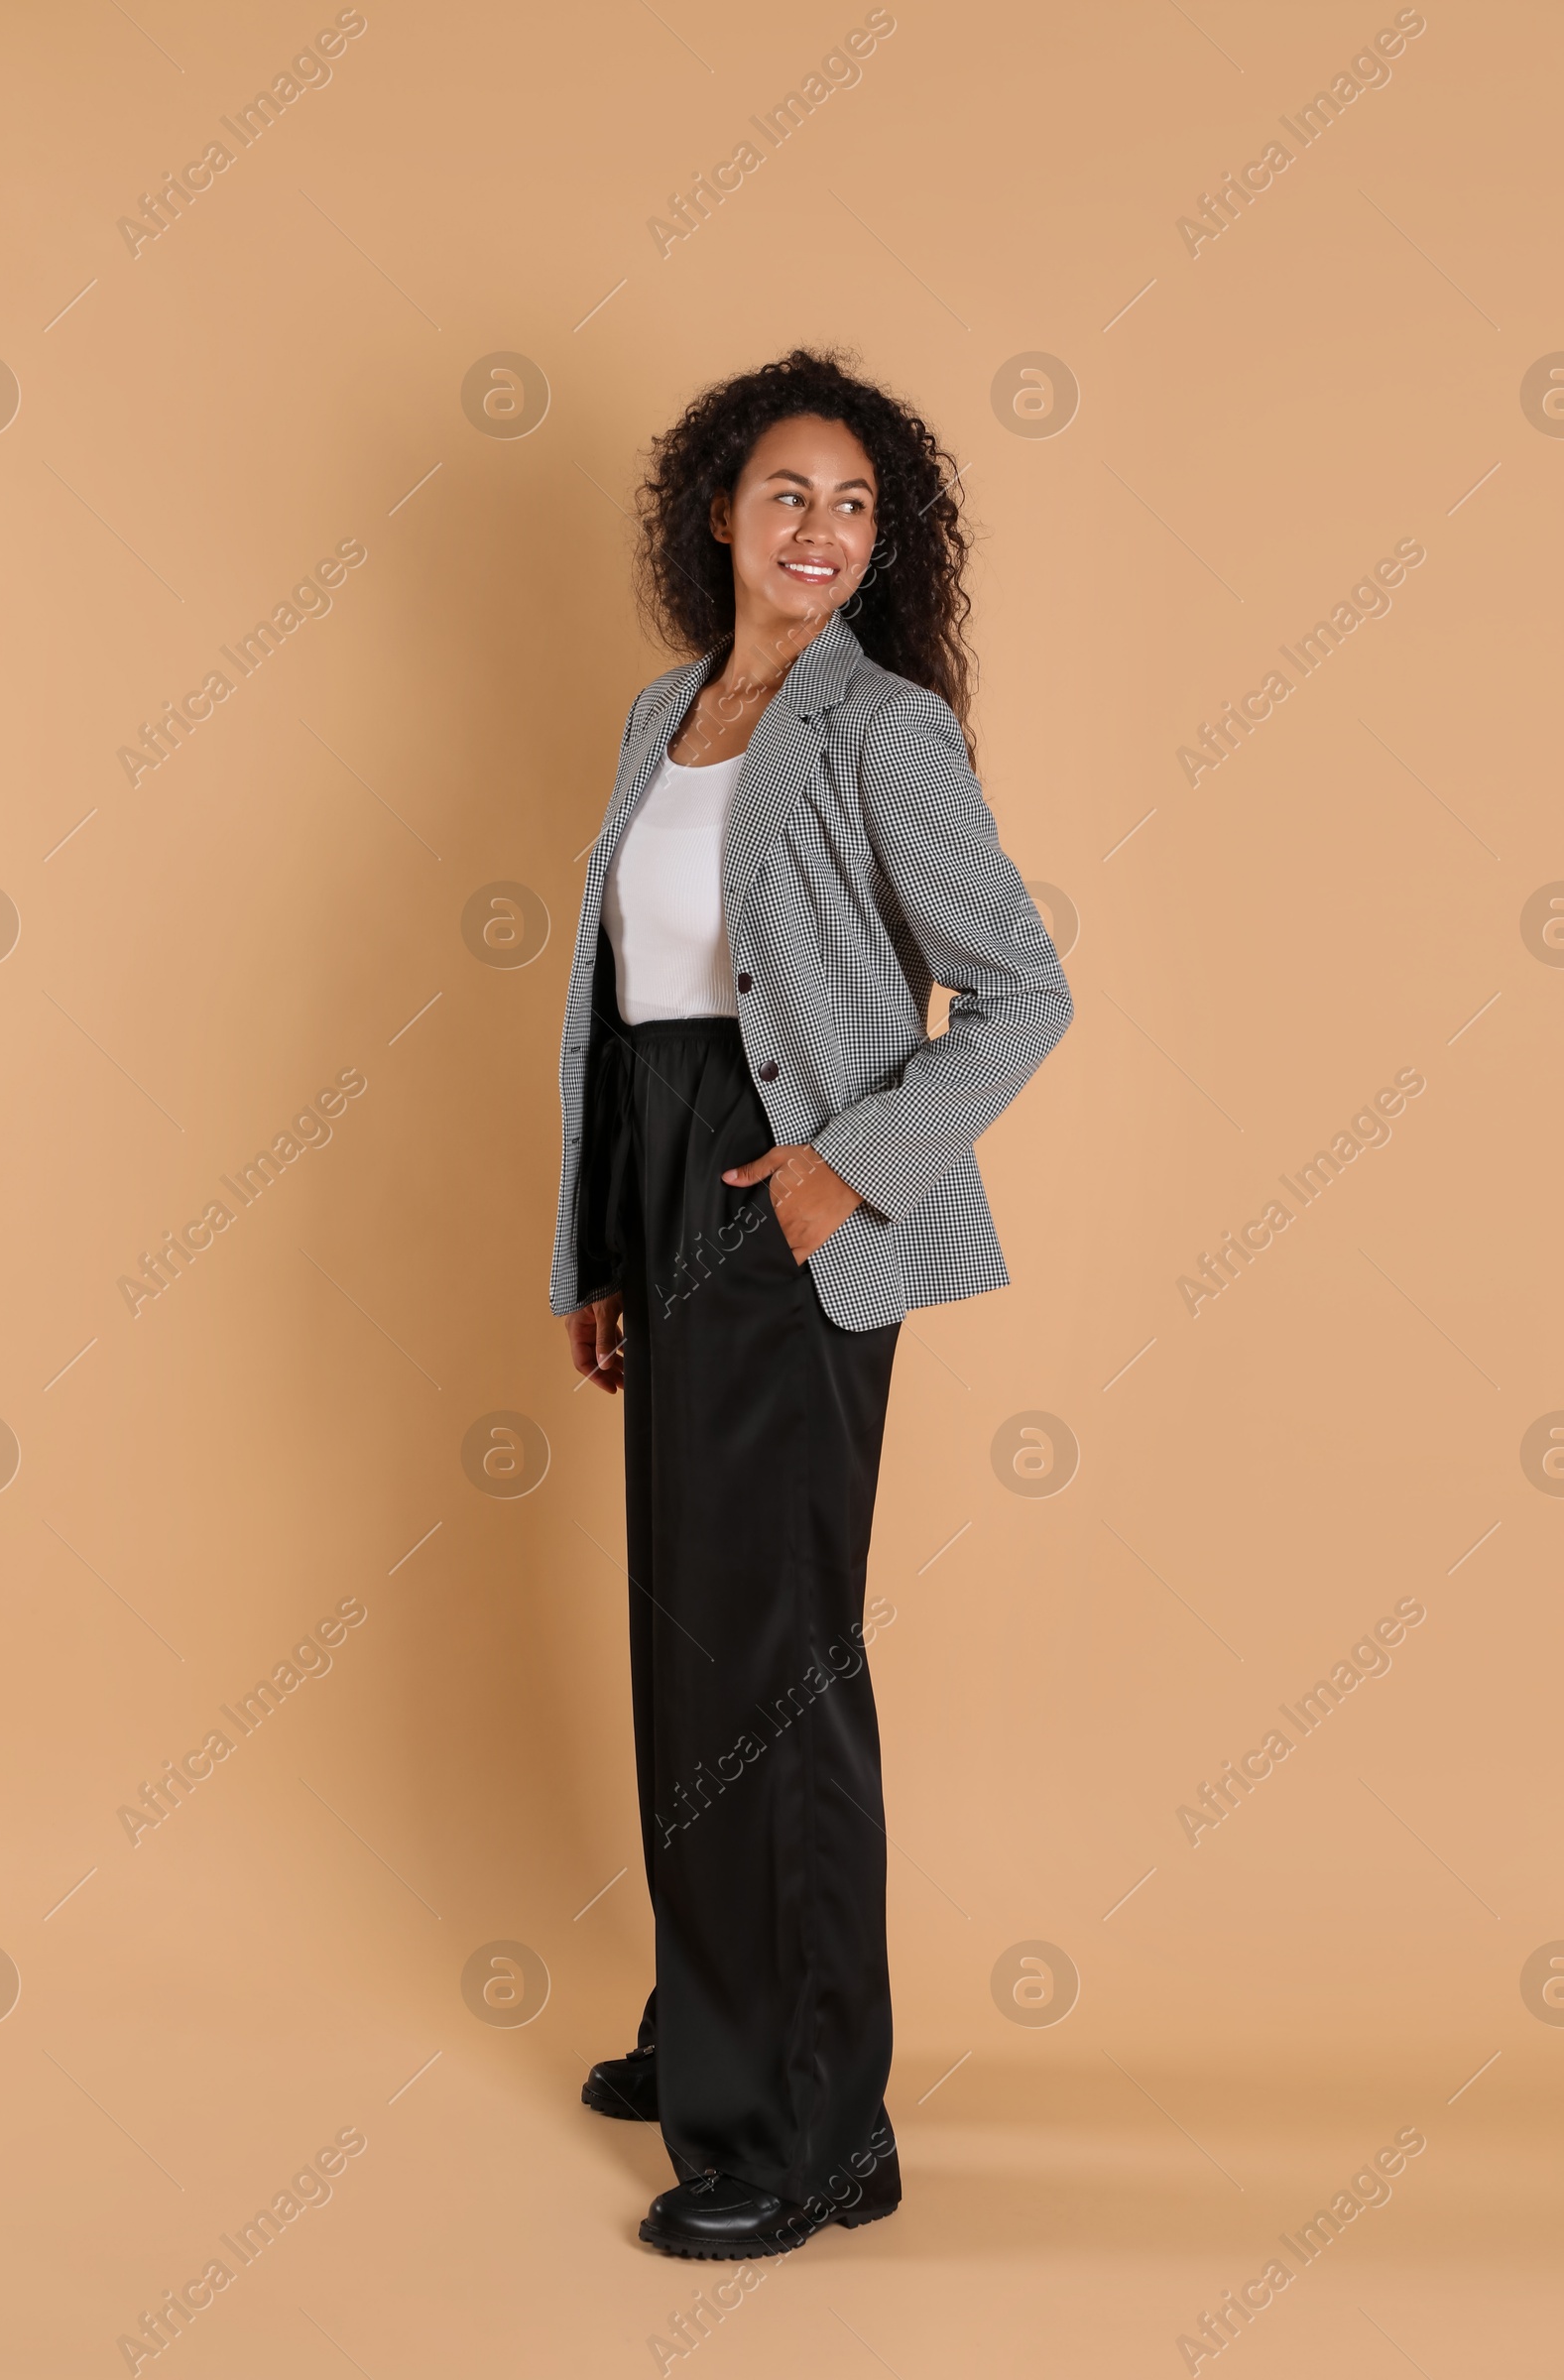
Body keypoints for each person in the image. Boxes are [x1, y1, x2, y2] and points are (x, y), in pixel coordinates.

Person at [548, 348, 1072, 2259]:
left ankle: (806, 2130)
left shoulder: (884, 733)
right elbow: (635, 1008)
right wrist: (603, 1246)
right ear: (718, 510)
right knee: (688, 1625)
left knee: (775, 1666)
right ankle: (715, 2018)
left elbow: (1021, 993)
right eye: (790, 494)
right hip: (667, 1176)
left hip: (800, 1203)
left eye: (857, 505)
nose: (823, 532)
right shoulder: (658, 715)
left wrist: (856, 1162)